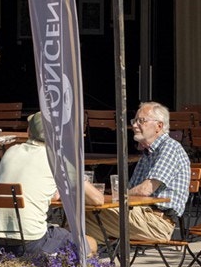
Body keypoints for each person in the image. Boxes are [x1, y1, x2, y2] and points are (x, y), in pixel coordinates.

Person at [82, 102, 191, 256]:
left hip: (157, 223)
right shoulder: (147, 154)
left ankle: (71, 264)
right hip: (141, 216)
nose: (134, 125)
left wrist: (110, 197)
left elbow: (145, 190)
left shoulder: (170, 148)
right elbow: (132, 193)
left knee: (84, 218)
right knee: (82, 218)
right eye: (134, 121)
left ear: (159, 126)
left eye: (141, 121)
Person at [0, 112, 97, 257]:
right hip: (31, 242)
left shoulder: (10, 151)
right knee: (90, 244)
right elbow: (97, 199)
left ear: (28, 132)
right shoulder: (56, 159)